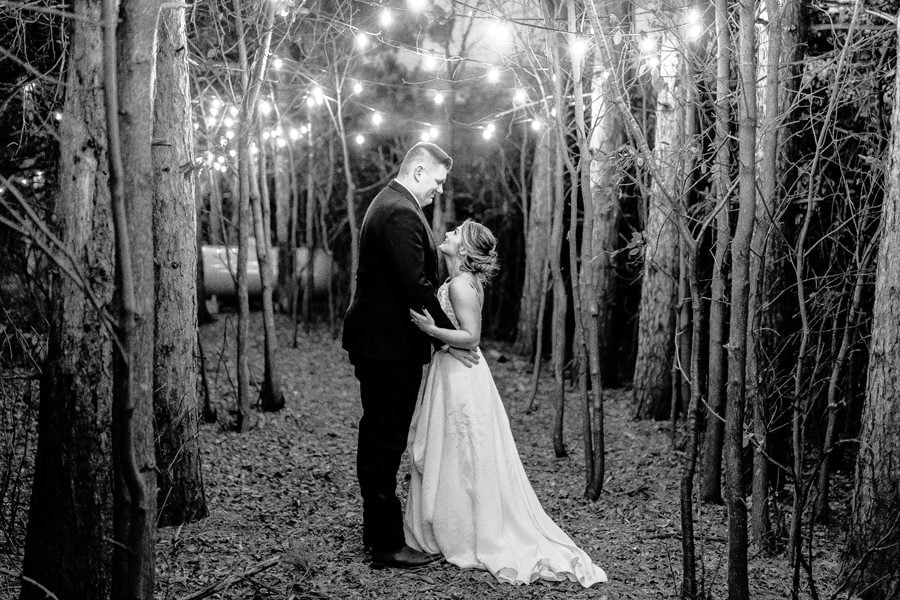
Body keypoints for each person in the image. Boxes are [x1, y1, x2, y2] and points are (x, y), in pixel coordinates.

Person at [405, 220, 608, 587]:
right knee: (453, 452)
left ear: (464, 250)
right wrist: (445, 343)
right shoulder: (456, 280)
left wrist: (432, 332)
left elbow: (472, 337)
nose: (447, 234)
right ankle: (452, 523)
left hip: (462, 377)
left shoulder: (464, 285)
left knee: (467, 452)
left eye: (455, 234)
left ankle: (469, 531)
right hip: (451, 368)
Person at [342, 142, 479, 569]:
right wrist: (451, 336)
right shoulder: (399, 211)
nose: (439, 190)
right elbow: (416, 286)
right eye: (437, 182)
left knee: (381, 438)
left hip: (383, 344)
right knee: (384, 441)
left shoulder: (391, 203)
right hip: (387, 348)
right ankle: (385, 544)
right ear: (418, 171)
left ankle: (377, 533)